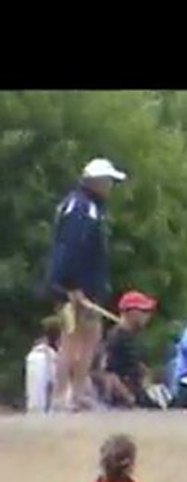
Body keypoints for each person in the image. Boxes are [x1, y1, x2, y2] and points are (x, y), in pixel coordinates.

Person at [46, 158, 127, 412]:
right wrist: (73, 286)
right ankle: (62, 396)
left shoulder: (81, 205)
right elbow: (70, 249)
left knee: (90, 336)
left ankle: (77, 393)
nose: (110, 187)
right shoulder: (82, 209)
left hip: (81, 286)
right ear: (97, 182)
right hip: (75, 288)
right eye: (108, 182)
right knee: (72, 339)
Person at [101, 291, 162, 409]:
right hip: (124, 401)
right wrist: (130, 400)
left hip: (139, 394)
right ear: (132, 313)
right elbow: (110, 373)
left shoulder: (133, 337)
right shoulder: (117, 338)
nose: (148, 316)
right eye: (144, 311)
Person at [25, 316, 62, 414]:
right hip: (45, 359)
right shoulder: (52, 352)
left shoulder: (37, 350)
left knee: (35, 396)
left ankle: (37, 409)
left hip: (36, 358)